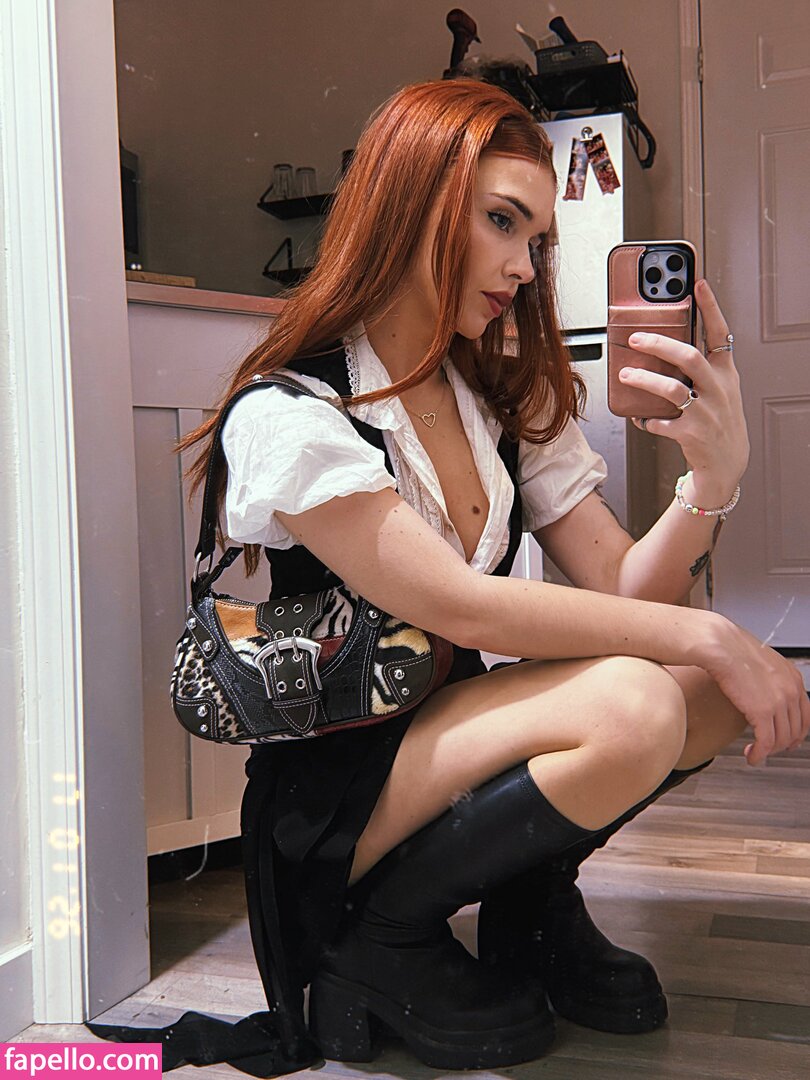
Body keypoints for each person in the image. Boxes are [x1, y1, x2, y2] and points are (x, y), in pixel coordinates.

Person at [87, 78, 809, 1074]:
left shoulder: (495, 397)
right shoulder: (293, 412)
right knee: (646, 696)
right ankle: (376, 943)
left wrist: (709, 484)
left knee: (701, 690)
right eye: (502, 222)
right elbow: (458, 605)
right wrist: (712, 630)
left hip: (446, 733)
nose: (522, 266)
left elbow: (624, 592)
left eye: (537, 239)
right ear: (413, 204)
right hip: (340, 786)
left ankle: (529, 912)